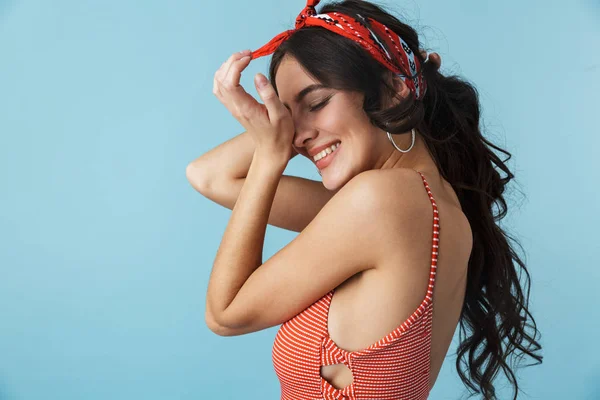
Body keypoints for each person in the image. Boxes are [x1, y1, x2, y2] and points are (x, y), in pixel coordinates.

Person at [186, 0, 543, 398]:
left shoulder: (383, 202)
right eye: (286, 117)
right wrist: (278, 129)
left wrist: (271, 155)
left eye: (316, 103)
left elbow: (225, 314)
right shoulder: (415, 205)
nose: (297, 136)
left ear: (392, 91)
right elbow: (210, 176)